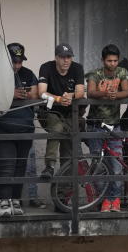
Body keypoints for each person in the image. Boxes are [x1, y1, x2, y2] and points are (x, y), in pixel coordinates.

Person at [0, 42, 39, 217]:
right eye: (13, 61)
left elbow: (36, 92)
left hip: (24, 128)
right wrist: (10, 93)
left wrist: (27, 94)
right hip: (0, 128)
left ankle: (15, 200)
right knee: (5, 164)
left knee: (20, 166)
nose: (17, 65)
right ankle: (4, 201)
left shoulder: (27, 74)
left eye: (19, 61)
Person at [84, 44, 128, 212]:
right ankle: (103, 200)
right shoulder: (95, 74)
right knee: (98, 166)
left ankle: (115, 200)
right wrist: (105, 94)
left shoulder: (122, 72)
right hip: (95, 125)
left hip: (114, 125)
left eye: (115, 60)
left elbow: (127, 91)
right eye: (109, 60)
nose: (112, 64)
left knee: (116, 166)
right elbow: (90, 92)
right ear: (103, 60)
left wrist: (115, 95)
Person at [37, 43, 85, 179]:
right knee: (57, 128)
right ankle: (50, 166)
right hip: (50, 111)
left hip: (71, 113)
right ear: (56, 57)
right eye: (63, 57)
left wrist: (70, 96)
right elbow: (41, 92)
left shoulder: (77, 68)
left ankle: (65, 191)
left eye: (69, 57)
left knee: (69, 149)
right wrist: (58, 99)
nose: (66, 60)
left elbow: (80, 92)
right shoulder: (46, 67)